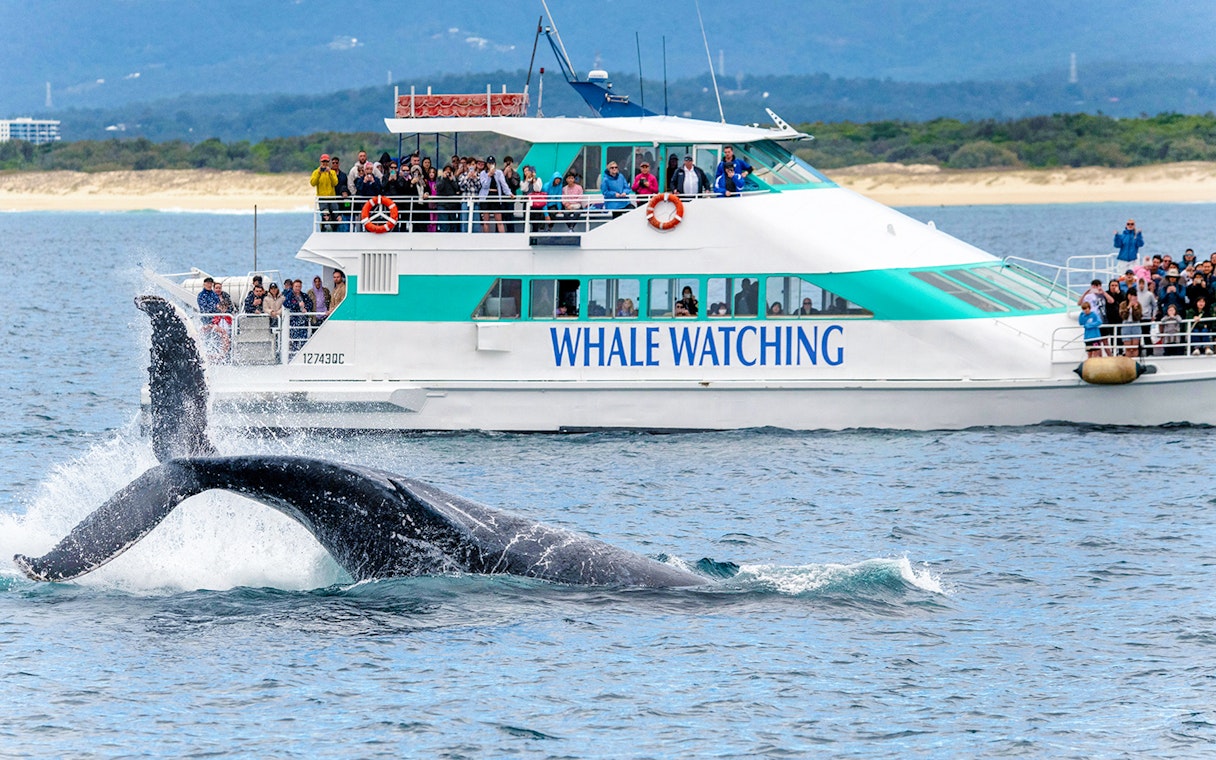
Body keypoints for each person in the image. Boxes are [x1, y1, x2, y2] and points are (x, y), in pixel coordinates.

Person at [478, 156, 510, 233]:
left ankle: (502, 236)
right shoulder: (483, 173)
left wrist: (509, 193)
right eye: (489, 163)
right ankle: (486, 237)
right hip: (486, 196)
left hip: (496, 195)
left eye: (492, 163)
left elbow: (503, 184)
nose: (491, 165)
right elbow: (484, 185)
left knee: (499, 219)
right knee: (486, 220)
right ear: (487, 164)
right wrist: (489, 176)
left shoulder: (499, 173)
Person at [310, 154, 341, 231]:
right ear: (320, 162)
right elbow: (313, 183)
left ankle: (334, 230)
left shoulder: (332, 172)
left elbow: (335, 183)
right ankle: (324, 229)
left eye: (326, 161)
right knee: (325, 215)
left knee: (335, 215)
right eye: (323, 161)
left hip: (332, 198)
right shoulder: (316, 172)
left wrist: (329, 173)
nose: (325, 163)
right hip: (322, 198)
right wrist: (319, 173)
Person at [435, 164, 461, 232]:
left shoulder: (455, 179)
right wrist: (443, 179)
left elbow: (457, 189)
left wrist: (452, 180)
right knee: (444, 224)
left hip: (452, 205)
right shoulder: (439, 178)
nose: (448, 172)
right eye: (446, 170)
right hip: (442, 204)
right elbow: (438, 188)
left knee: (453, 224)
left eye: (449, 170)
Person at [1118, 289, 1143, 358]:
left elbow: (1139, 316)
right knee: (1128, 347)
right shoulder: (1123, 304)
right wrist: (1128, 307)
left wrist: (1135, 308)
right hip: (1126, 324)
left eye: (1134, 295)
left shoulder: (1138, 304)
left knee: (1135, 346)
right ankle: (1128, 361)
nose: (1132, 297)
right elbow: (1122, 316)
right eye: (1131, 295)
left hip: (1136, 324)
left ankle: (1135, 360)